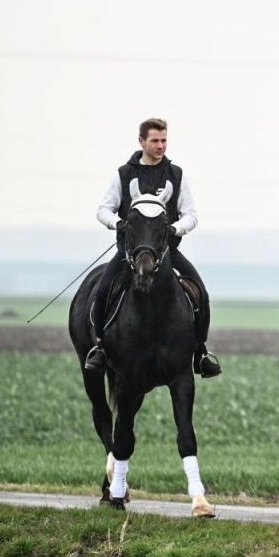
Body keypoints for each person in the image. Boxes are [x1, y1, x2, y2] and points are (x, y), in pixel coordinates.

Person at [83, 118, 220, 378]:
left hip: (167, 253)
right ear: (141, 142)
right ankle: (100, 347)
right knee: (102, 291)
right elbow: (103, 209)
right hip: (129, 255)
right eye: (155, 140)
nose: (160, 146)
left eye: (164, 140)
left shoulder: (176, 175)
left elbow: (190, 214)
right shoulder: (124, 174)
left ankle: (200, 352)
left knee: (201, 291)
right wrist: (118, 223)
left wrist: (175, 229)